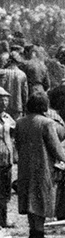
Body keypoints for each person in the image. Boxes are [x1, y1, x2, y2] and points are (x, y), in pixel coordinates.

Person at [16, 91, 65, 238]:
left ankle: (33, 232)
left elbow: (18, 143)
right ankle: (39, 234)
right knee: (41, 198)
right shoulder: (47, 123)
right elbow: (55, 146)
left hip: (25, 165)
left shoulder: (20, 122)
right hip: (42, 165)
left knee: (29, 198)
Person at [0, 87, 15, 227]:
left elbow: (16, 131)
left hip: (6, 158)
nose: (4, 102)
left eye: (6, 99)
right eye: (1, 99)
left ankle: (3, 219)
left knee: (5, 191)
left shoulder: (7, 118)